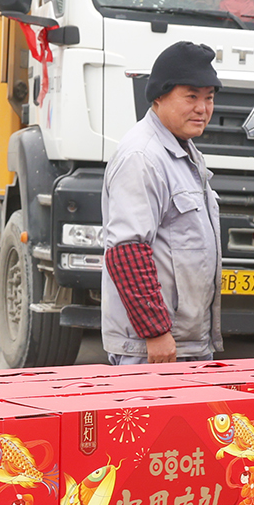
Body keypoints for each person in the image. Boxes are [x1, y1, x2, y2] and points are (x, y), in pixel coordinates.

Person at [100, 41, 223, 364]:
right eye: (191, 97)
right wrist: (155, 331)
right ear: (159, 96)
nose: (202, 108)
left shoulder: (184, 152)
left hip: (186, 344)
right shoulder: (142, 156)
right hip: (151, 349)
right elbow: (127, 250)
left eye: (209, 98)